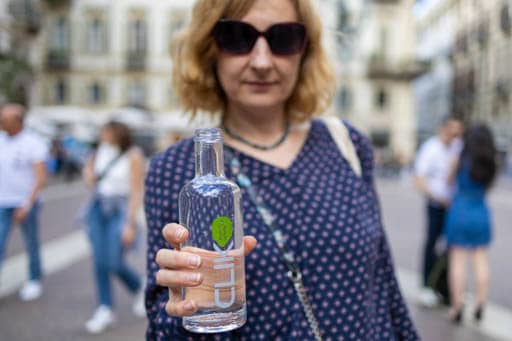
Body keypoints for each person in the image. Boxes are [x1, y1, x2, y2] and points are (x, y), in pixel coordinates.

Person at [144, 0, 419, 339]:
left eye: (284, 38)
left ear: (305, 50)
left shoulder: (346, 145)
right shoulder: (173, 171)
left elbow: (386, 286)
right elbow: (162, 326)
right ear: (210, 48)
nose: (261, 61)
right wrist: (184, 309)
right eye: (237, 37)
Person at [82, 121, 145, 334]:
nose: (102, 134)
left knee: (114, 262)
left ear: (117, 133)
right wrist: (88, 171)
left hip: (121, 209)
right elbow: (91, 181)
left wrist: (130, 224)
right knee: (99, 261)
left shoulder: (133, 155)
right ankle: (104, 308)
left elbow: (136, 191)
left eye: (106, 131)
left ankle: (139, 287)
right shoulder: (98, 151)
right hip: (98, 208)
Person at [444, 124, 497, 324]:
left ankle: (457, 306)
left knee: (458, 261)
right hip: (481, 212)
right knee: (481, 259)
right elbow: (487, 188)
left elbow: (449, 182)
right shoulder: (490, 163)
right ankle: (480, 304)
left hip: (460, 211)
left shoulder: (460, 160)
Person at [413, 116, 463, 307]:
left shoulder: (458, 147)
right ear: (443, 129)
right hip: (436, 204)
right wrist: (439, 198)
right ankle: (427, 285)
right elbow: (419, 179)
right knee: (432, 243)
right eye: (452, 130)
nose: (455, 135)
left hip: (454, 206)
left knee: (452, 247)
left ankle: (445, 286)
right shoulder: (430, 148)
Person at [0, 103, 48, 301]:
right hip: (2, 202)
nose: (1, 122)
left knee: (31, 242)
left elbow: (40, 177)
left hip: (25, 202)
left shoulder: (33, 143)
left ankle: (34, 278)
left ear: (18, 121)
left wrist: (27, 204)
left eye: (5, 119)